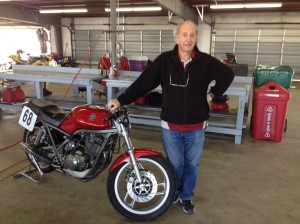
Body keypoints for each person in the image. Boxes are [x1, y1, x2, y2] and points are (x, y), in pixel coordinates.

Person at [108, 20, 234, 214]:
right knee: (175, 164)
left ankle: (186, 196)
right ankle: (173, 192)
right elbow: (144, 83)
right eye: (184, 34)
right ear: (177, 37)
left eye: (192, 35)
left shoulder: (206, 62)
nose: (188, 39)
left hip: (196, 125)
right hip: (171, 125)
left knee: (192, 164)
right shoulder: (165, 61)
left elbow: (227, 74)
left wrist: (212, 94)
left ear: (196, 38)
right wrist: (121, 100)